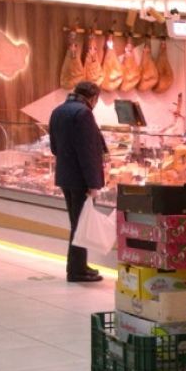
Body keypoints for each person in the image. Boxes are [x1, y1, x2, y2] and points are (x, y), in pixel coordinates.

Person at [48, 81, 110, 283]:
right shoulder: (83, 113)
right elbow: (87, 152)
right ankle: (76, 271)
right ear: (94, 98)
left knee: (77, 223)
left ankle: (79, 266)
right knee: (81, 224)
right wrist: (93, 183)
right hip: (80, 178)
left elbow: (54, 148)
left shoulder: (58, 111)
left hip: (65, 175)